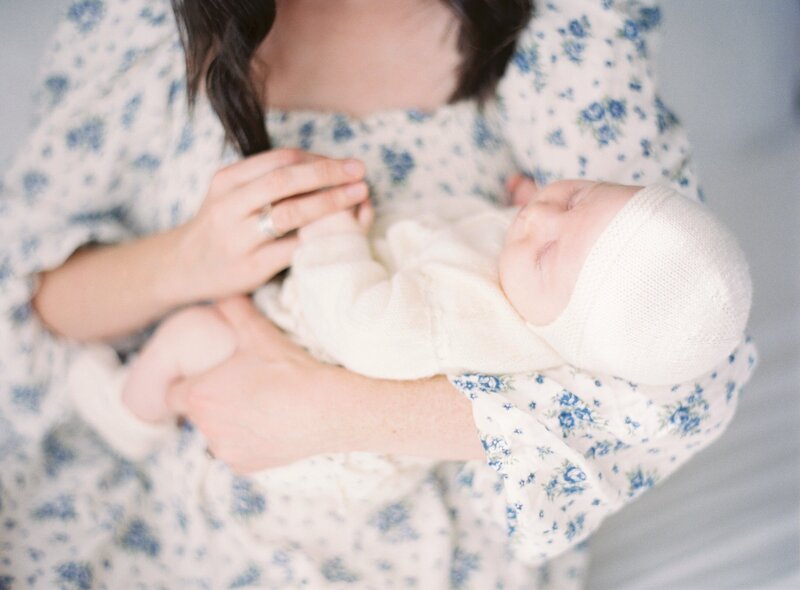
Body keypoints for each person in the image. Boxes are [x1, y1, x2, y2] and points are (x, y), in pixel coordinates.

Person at [0, 0, 758, 588]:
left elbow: (682, 372)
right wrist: (187, 260)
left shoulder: (563, 27)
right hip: (165, 497)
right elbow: (31, 297)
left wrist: (331, 413)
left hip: (431, 551)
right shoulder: (139, 23)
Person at [64, 177, 752, 468]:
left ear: (565, 333)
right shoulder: (535, 277)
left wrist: (333, 233)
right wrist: (534, 196)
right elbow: (545, 231)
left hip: (307, 341)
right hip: (324, 328)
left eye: (547, 250)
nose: (537, 217)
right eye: (576, 196)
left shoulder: (468, 321)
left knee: (189, 334)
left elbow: (359, 326)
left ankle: (131, 418)